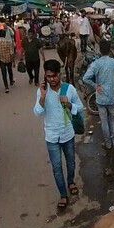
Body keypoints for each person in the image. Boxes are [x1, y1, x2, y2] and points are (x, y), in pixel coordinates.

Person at [34, 59, 83, 211]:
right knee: (56, 167)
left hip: (67, 133)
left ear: (60, 75)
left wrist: (69, 104)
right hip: (52, 136)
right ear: (45, 77)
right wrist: (42, 97)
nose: (52, 79)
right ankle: (63, 194)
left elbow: (80, 107)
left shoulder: (69, 89)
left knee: (70, 162)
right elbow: (37, 112)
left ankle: (71, 182)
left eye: (54, 76)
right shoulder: (42, 91)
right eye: (49, 76)